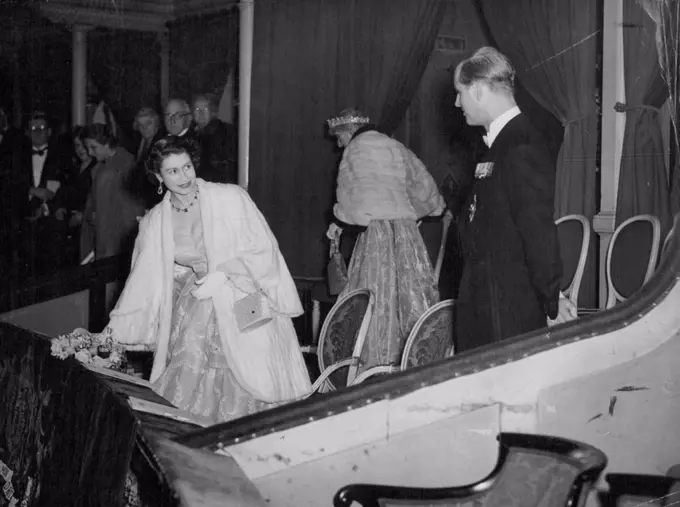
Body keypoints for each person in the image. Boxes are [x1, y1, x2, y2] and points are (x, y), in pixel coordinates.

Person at [101, 137, 311, 424]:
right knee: (193, 378)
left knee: (253, 372)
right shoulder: (155, 223)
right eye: (173, 171)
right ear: (158, 177)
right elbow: (144, 281)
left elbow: (264, 249)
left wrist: (225, 273)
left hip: (245, 295)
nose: (184, 176)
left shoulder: (231, 198)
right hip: (198, 302)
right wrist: (112, 333)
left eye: (187, 167)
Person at [452, 46, 577, 353]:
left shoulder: (521, 145)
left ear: (479, 90)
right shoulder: (501, 145)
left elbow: (538, 232)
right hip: (489, 304)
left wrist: (551, 301)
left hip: (506, 314)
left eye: (461, 92)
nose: (457, 102)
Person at [326, 108, 446, 372]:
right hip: (406, 233)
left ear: (348, 132)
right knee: (409, 294)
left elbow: (351, 199)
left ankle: (374, 364)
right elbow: (425, 188)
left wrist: (339, 222)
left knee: (375, 293)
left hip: (376, 235)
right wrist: (416, 213)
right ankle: (414, 359)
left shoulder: (355, 150)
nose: (339, 143)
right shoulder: (395, 145)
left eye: (339, 137)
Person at [81, 123, 145, 261]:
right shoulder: (101, 168)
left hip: (116, 244)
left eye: (93, 147)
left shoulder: (122, 167)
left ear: (106, 143)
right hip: (105, 241)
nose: (90, 153)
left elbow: (130, 212)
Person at [53, 126, 98, 264]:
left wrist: (82, 215)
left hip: (87, 227)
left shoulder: (97, 168)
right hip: (69, 225)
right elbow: (62, 191)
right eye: (77, 145)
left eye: (84, 145)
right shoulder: (72, 168)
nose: (81, 150)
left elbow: (98, 200)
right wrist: (59, 207)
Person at [192, 93, 237, 184]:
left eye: (205, 109)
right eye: (197, 109)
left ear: (213, 112)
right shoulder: (193, 133)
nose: (201, 113)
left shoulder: (223, 133)